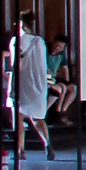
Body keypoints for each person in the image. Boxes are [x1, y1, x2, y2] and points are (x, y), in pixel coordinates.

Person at [11, 11, 52, 157]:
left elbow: (15, 64)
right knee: (38, 117)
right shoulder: (39, 41)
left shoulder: (17, 40)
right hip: (39, 83)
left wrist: (11, 87)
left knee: (18, 117)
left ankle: (20, 150)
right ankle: (47, 143)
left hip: (22, 82)